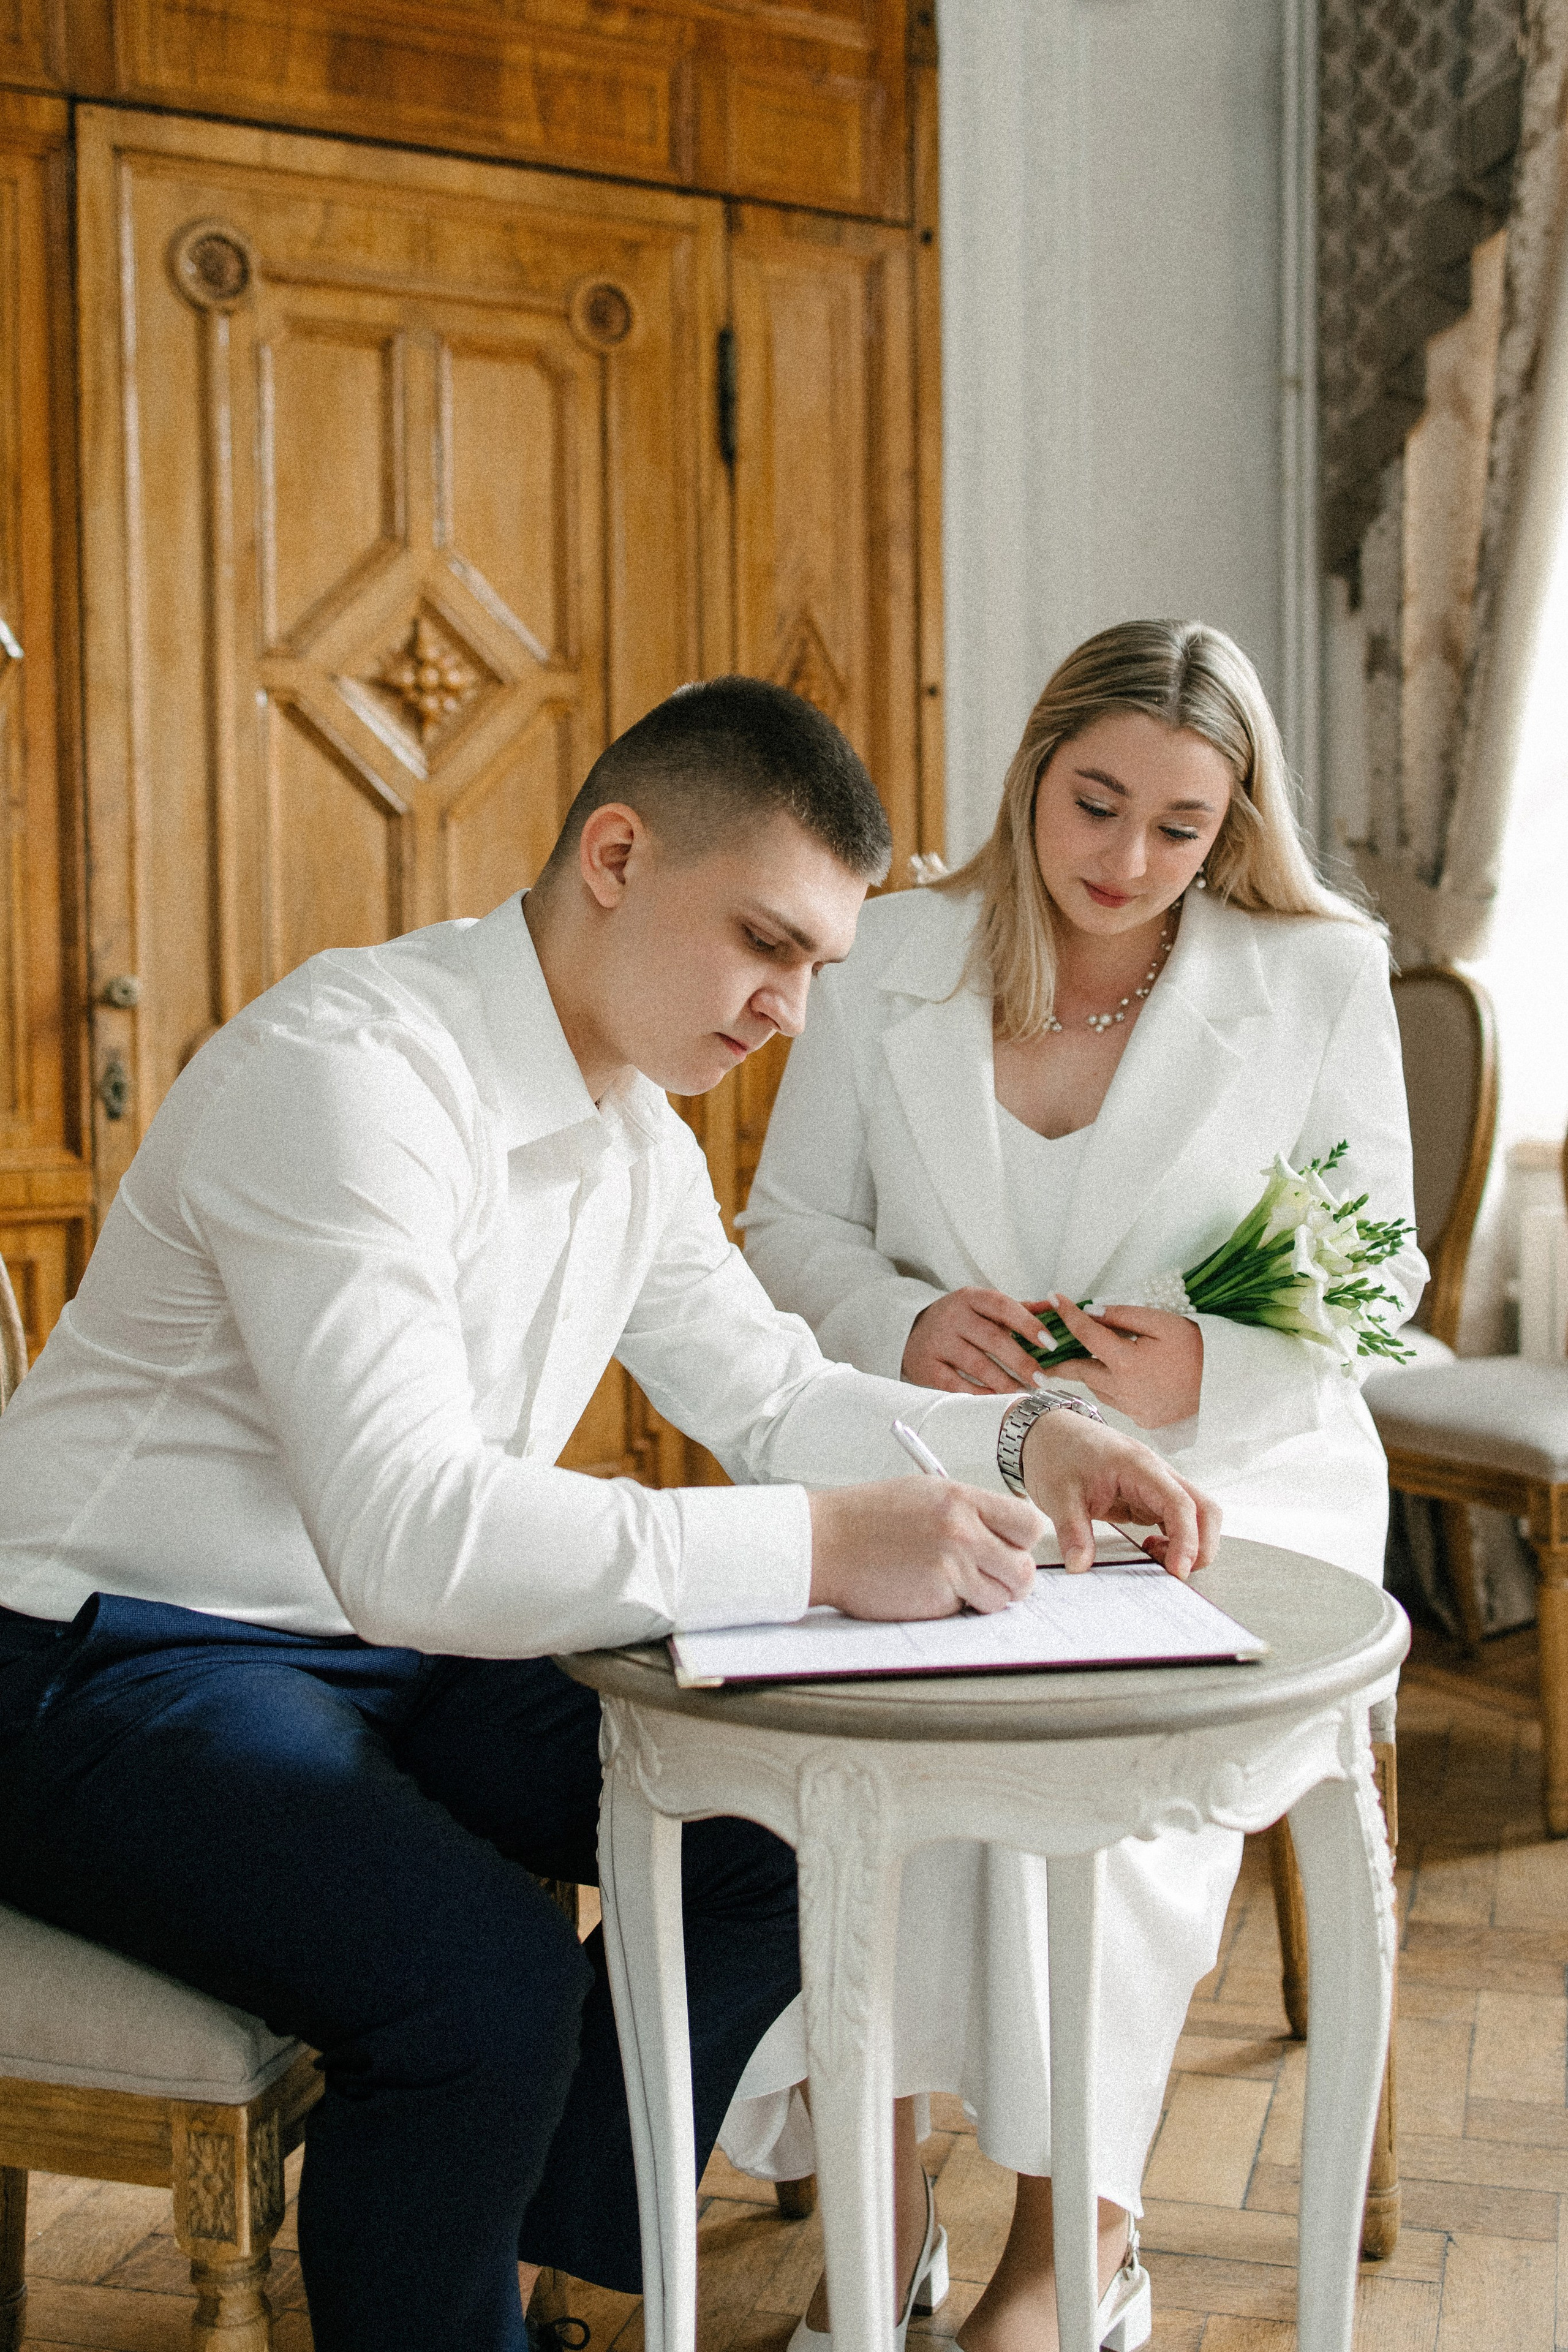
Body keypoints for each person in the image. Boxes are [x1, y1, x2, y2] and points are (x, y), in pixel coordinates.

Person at [0, 676, 1218, 2352]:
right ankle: (458, 2243)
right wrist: (820, 1547)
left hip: (391, 1647)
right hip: (103, 1657)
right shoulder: (349, 1075)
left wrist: (1030, 1439)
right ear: (619, 856)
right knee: (480, 1988)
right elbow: (414, 1533)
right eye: (765, 945)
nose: (791, 1011)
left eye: (818, 967)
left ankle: (519, 2244)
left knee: (789, 1819)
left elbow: (771, 1392)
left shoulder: (631, 1127)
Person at [734, 623, 1427, 2352]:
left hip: (1223, 1477)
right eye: (1094, 803)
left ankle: (1077, 2248)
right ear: (1033, 773)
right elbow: (788, 1230)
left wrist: (1205, 1369)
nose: (1124, 860)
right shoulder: (892, 950)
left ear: (1232, 824)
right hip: (932, 1449)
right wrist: (905, 1321)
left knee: (1099, 1781)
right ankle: (881, 2216)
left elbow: (1379, 1279)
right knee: (876, 1763)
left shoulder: (1318, 975)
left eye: (1180, 827)